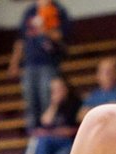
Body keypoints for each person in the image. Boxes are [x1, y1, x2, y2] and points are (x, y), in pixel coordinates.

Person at [8, 1, 72, 131]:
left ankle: (48, 130)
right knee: (30, 99)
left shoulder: (58, 10)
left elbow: (62, 37)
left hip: (49, 63)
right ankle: (33, 133)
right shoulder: (30, 12)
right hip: (30, 64)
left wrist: (45, 29)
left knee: (47, 97)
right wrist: (14, 63)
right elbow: (21, 40)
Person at [30, 74, 82, 154]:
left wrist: (51, 132)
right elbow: (45, 122)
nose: (55, 92)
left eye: (58, 89)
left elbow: (73, 130)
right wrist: (54, 105)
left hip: (71, 142)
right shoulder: (52, 105)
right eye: (53, 90)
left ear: (65, 88)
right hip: (53, 142)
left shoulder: (75, 103)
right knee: (40, 143)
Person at [77, 56, 116, 121]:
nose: (106, 75)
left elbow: (113, 113)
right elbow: (81, 115)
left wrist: (93, 111)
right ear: (98, 75)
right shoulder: (94, 95)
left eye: (109, 72)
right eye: (102, 72)